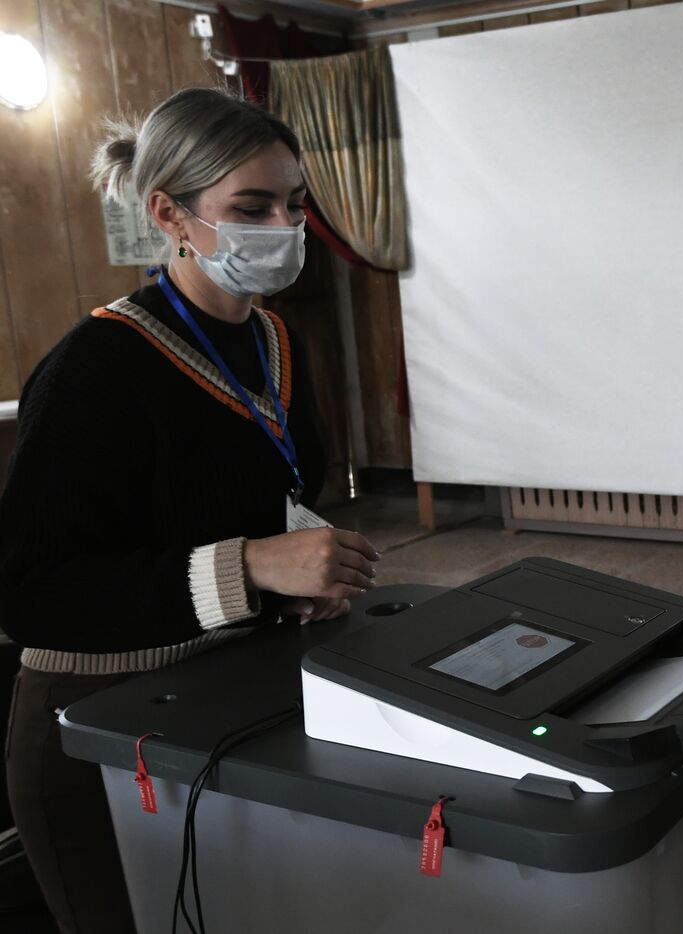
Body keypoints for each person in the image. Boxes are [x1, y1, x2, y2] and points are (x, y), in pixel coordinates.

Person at [0, 87, 380, 933]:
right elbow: (30, 593)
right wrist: (249, 566)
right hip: (99, 723)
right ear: (169, 213)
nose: (283, 227)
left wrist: (297, 574)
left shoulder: (276, 340)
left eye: (294, 205)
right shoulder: (94, 368)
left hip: (230, 691)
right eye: (251, 208)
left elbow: (266, 492)